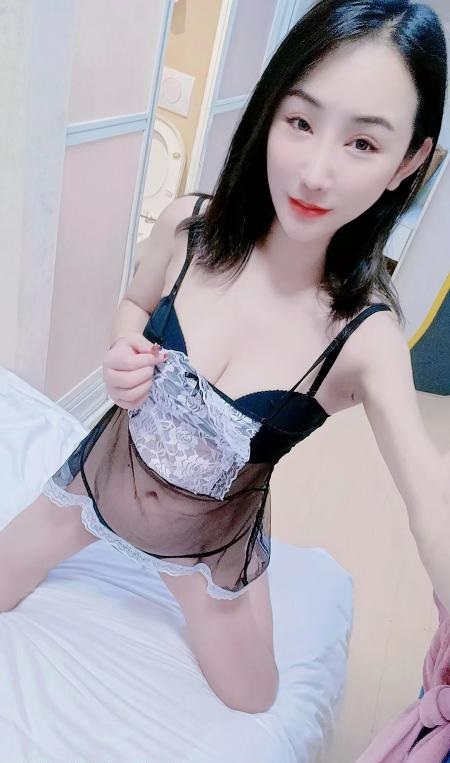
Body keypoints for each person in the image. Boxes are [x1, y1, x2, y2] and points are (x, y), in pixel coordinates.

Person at [0, 0, 449, 716]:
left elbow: (430, 490)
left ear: (411, 161)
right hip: (99, 483)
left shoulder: (365, 337)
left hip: (208, 543)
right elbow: (135, 302)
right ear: (270, 110)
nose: (316, 172)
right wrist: (123, 348)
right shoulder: (189, 227)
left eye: (363, 143)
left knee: (253, 699)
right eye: (300, 122)